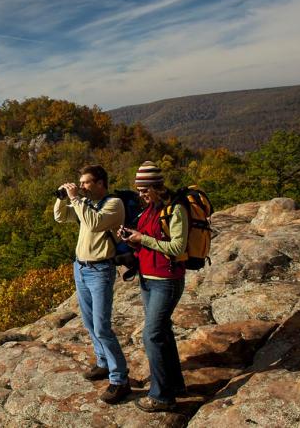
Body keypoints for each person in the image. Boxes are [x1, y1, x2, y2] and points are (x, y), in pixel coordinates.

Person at [54, 165, 130, 404]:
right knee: (88, 323)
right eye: (80, 183)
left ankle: (120, 379)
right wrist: (61, 198)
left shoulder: (113, 204)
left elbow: (95, 223)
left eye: (86, 182)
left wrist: (76, 198)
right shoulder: (85, 205)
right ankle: (103, 363)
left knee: (102, 327)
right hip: (81, 268)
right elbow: (61, 217)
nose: (82, 186)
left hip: (100, 271)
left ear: (100, 183)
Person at [119, 161, 188, 412]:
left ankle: (161, 397)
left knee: (151, 335)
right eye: (139, 190)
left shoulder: (175, 210)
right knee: (163, 333)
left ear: (157, 186)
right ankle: (175, 385)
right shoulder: (150, 210)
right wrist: (132, 239)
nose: (141, 195)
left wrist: (143, 238)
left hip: (167, 281)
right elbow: (149, 241)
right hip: (148, 279)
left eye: (145, 190)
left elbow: (177, 248)